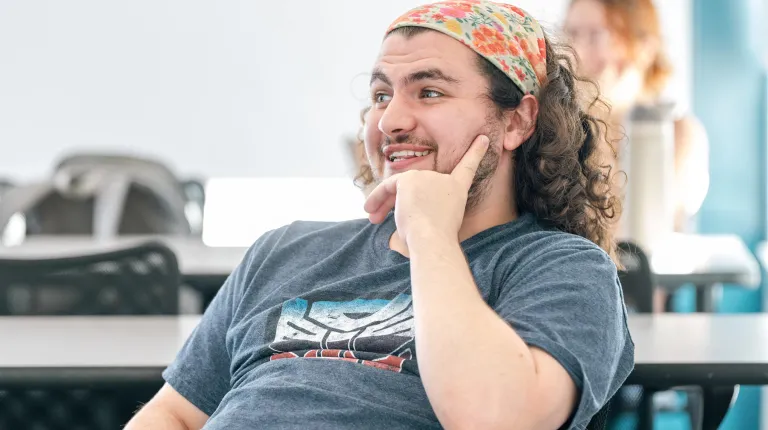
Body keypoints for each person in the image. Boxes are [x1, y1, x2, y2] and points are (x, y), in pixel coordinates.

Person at [126, 1, 633, 429]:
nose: (390, 120)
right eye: (381, 96)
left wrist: (430, 232)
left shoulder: (564, 270)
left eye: (428, 92)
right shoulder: (284, 251)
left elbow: (496, 418)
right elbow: (174, 415)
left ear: (517, 120)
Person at [563, 0, 710, 232]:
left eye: (596, 36)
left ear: (644, 47)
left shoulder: (680, 135)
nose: (577, 52)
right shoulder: (562, 132)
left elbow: (636, 233)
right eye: (572, 34)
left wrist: (601, 115)